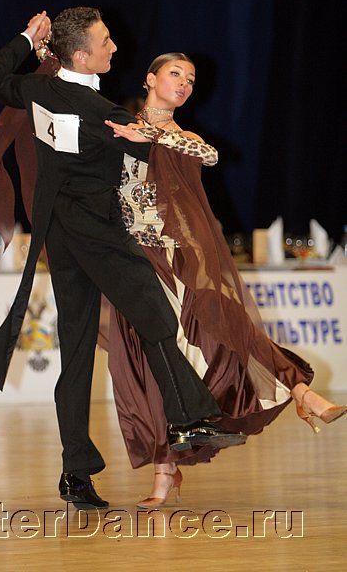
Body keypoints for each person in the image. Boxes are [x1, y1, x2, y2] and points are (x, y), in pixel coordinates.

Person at [0, 8, 245, 510]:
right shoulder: (100, 110)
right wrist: (164, 137)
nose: (115, 47)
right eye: (105, 42)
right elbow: (174, 148)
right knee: (153, 311)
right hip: (95, 232)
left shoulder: (39, 89)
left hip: (59, 234)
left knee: (78, 352)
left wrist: (26, 39)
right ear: (82, 55)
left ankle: (75, 473)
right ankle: (188, 419)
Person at [103, 52, 347, 508]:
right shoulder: (118, 127)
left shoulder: (184, 138)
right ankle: (164, 472)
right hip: (132, 262)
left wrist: (153, 134)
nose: (184, 83)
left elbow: (209, 155)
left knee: (226, 324)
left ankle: (302, 392)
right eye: (175, 74)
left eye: (191, 79)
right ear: (150, 78)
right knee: (149, 365)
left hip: (175, 258)